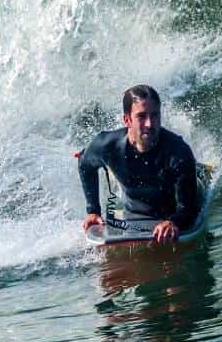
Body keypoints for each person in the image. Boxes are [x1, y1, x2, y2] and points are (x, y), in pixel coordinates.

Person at [79, 85, 199, 244]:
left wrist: (174, 222)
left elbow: (189, 210)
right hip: (132, 214)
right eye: (142, 116)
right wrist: (93, 211)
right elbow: (85, 164)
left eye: (155, 115)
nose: (150, 124)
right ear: (127, 120)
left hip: (170, 212)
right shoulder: (107, 146)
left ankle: (199, 171)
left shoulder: (178, 152)